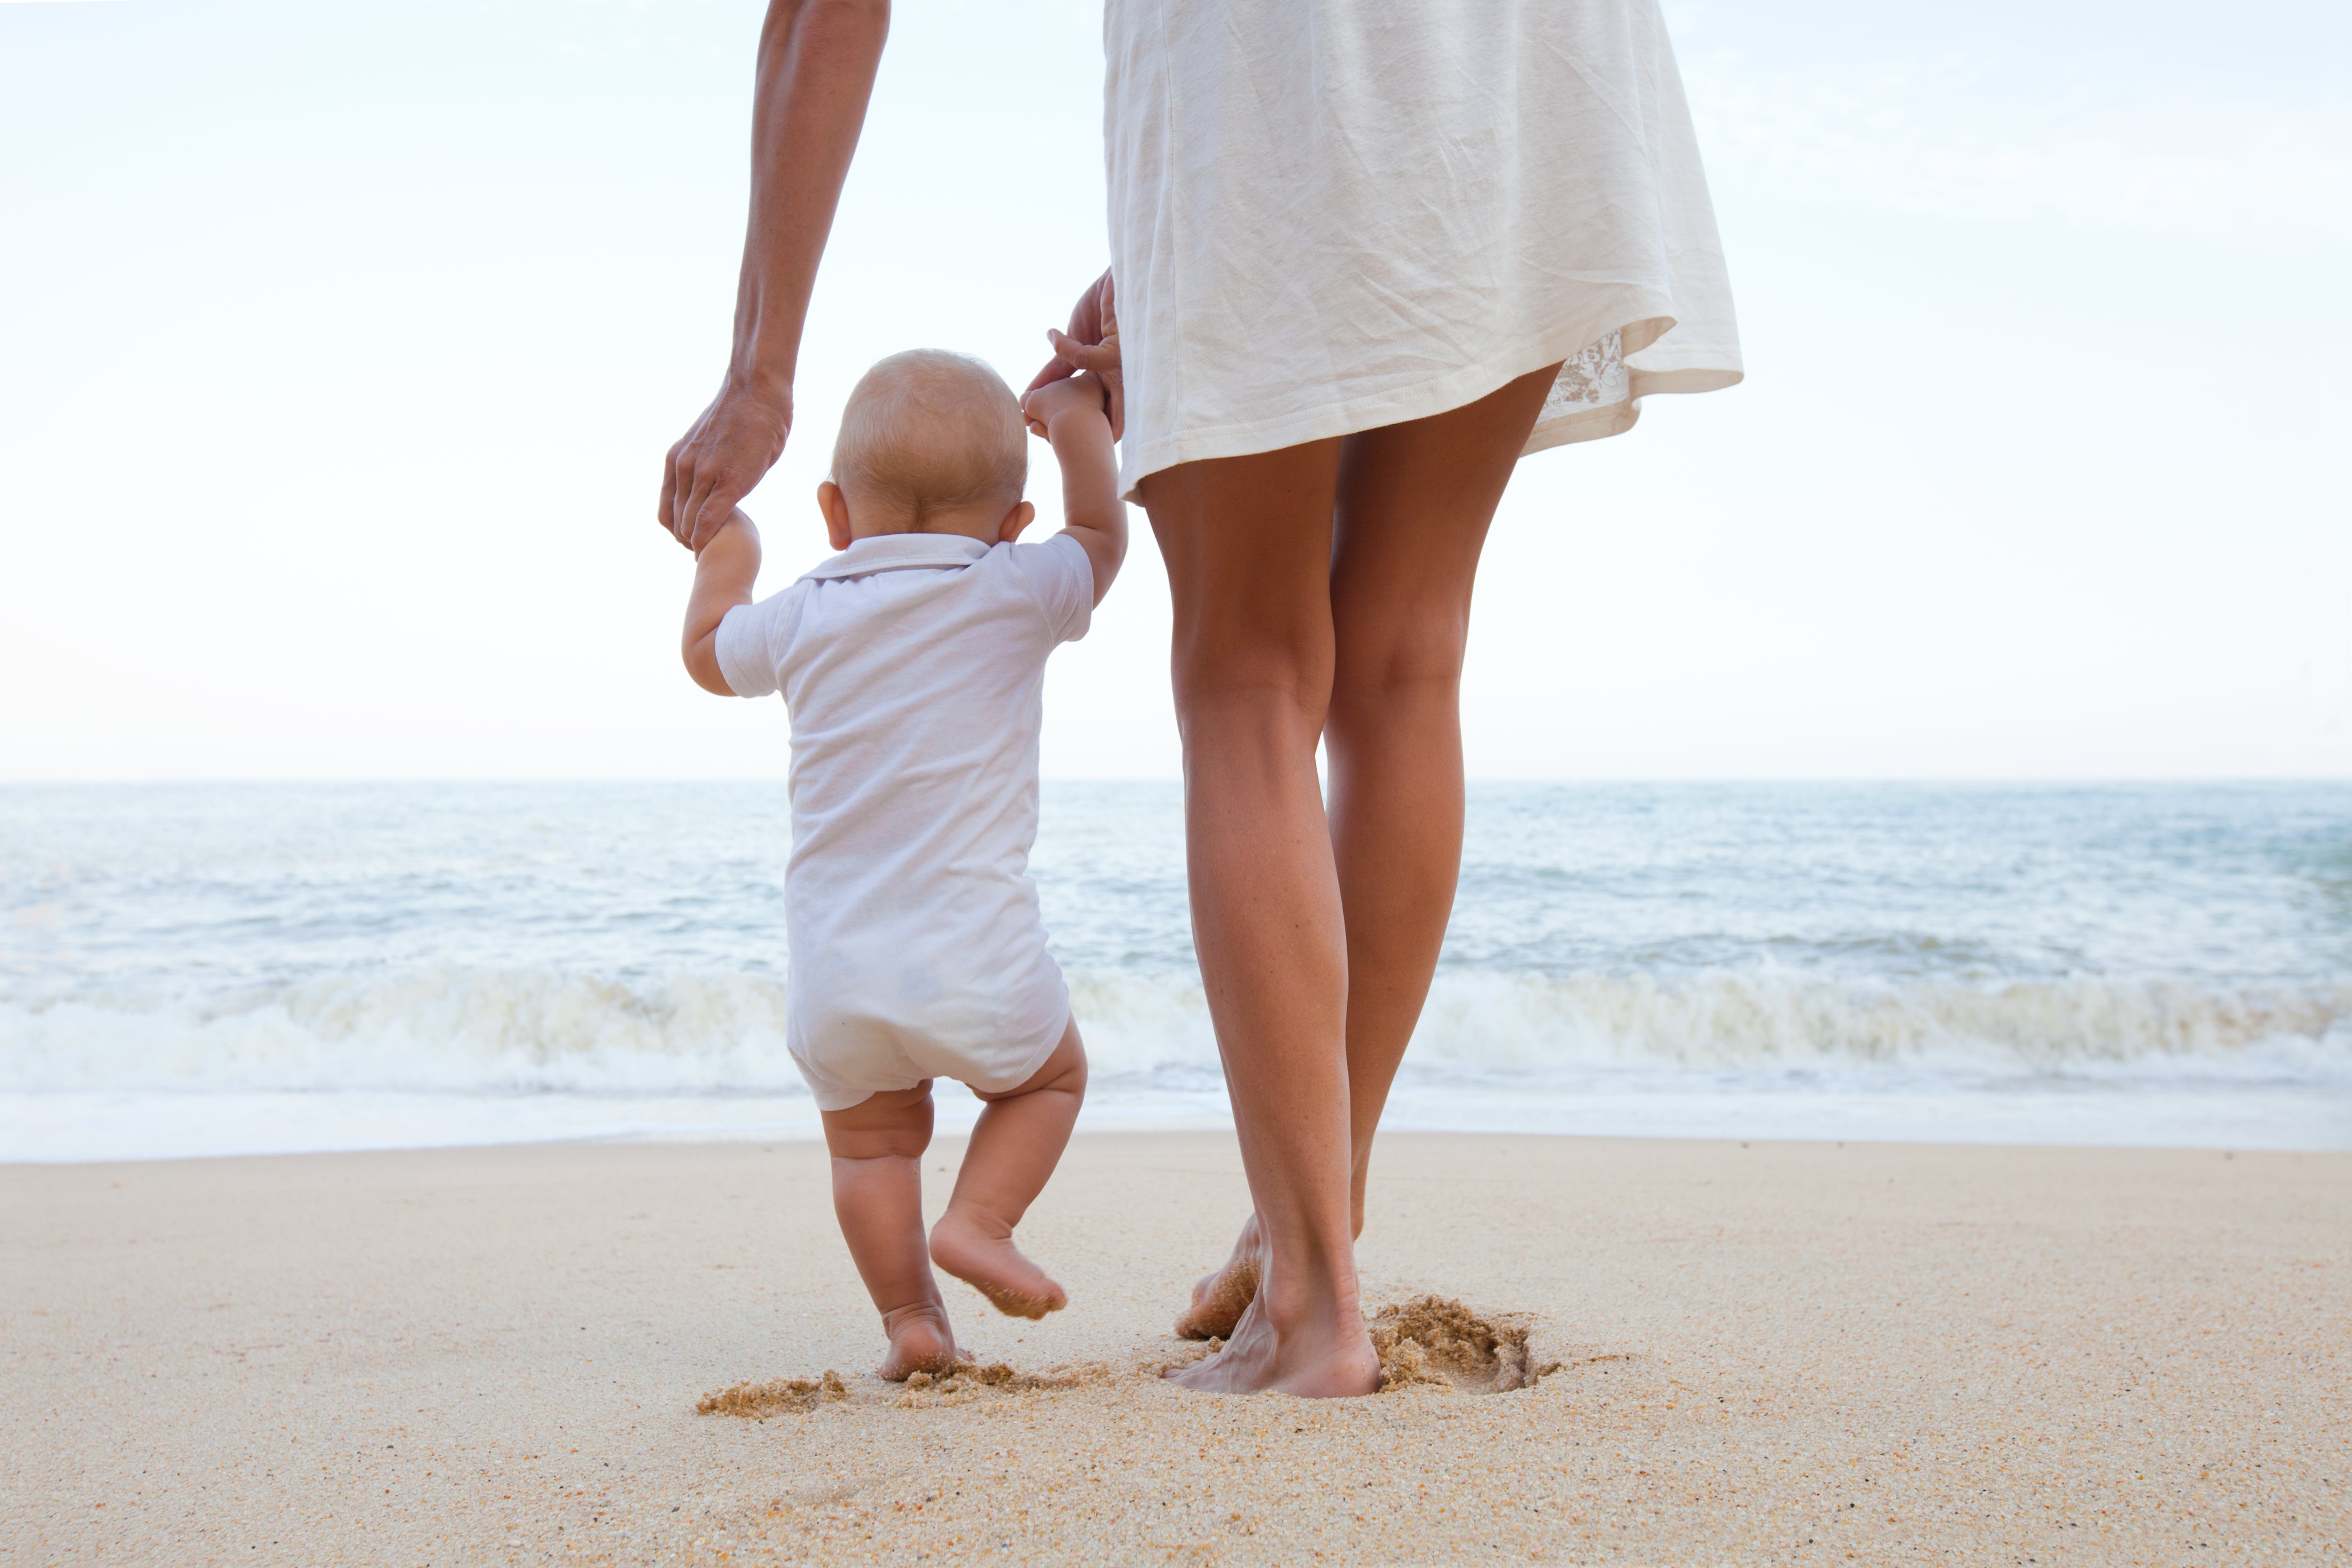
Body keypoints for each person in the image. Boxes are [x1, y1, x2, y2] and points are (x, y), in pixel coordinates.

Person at [662, 0, 1739, 1398]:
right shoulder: (1012, 567)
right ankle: (1310, 1220)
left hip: (1265, 59)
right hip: (1534, 64)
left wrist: (761, 367)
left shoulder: (820, 606)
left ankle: (1314, 1306)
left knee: (1251, 670)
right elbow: (1088, 546)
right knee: (1408, 654)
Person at [676, 348, 1128, 1380]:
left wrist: (728, 551)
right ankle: (979, 1219)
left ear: (835, 512)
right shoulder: (1019, 586)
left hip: (837, 972)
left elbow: (710, 654)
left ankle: (911, 1321)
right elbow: (1102, 536)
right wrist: (1073, 422)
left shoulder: (799, 612)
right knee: (1050, 1077)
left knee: (873, 1147)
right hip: (978, 953)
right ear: (1013, 523)